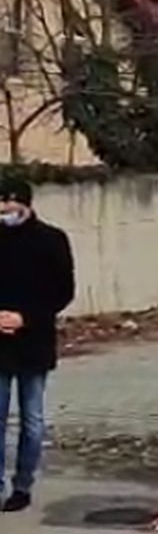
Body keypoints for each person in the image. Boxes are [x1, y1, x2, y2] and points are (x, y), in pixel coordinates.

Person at [0, 175, 74, 513]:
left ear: (26, 204)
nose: (3, 210)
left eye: (9, 203)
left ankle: (23, 484)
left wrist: (26, 318)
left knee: (32, 419)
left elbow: (62, 292)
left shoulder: (51, 240)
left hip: (34, 342)